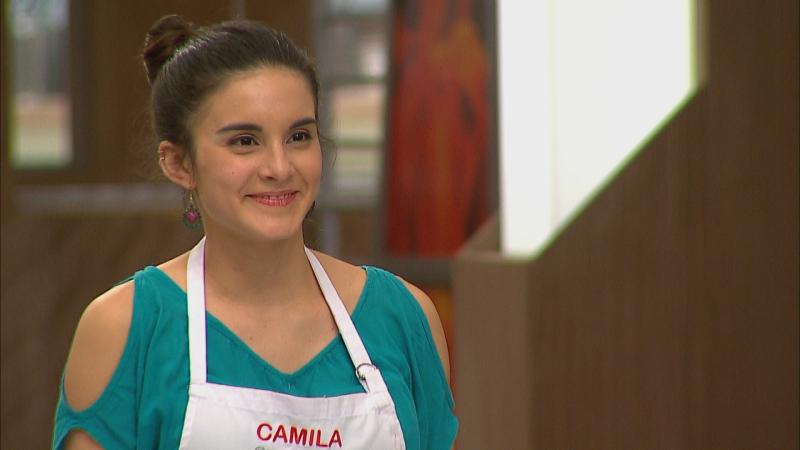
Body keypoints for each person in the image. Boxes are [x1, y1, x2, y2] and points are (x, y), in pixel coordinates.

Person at [52, 15, 457, 450]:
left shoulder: (403, 317)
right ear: (179, 163)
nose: (279, 168)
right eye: (245, 141)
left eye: (299, 136)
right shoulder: (127, 327)